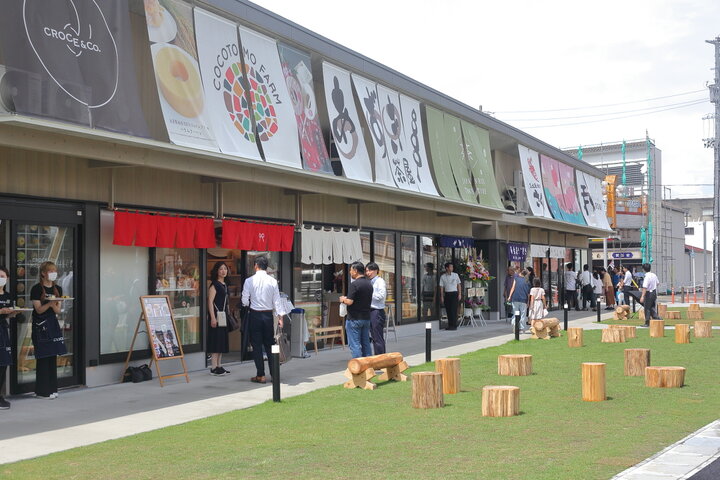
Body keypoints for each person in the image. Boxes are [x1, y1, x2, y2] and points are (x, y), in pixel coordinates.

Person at [242, 256, 281, 384]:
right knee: (270, 345)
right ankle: (274, 375)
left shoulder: (249, 281)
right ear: (266, 267)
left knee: (257, 346)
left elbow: (244, 300)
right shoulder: (272, 281)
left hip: (255, 315)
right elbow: (277, 301)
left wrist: (248, 304)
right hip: (268, 316)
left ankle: (261, 375)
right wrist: (280, 317)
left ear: (255, 266)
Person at [30, 261, 67, 399]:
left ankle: (52, 388)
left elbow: (58, 310)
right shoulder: (36, 289)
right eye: (50, 271)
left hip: (52, 324)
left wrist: (54, 304)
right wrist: (50, 303)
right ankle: (42, 391)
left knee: (52, 356)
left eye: (55, 271)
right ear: (43, 273)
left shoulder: (58, 289)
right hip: (40, 326)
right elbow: (38, 310)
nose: (53, 273)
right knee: (43, 358)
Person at [339, 262, 373, 358]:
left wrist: (343, 299)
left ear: (355, 271)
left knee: (355, 344)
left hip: (354, 318)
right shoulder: (369, 284)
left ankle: (359, 368)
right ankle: (368, 366)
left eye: (351, 270)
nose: (350, 272)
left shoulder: (354, 285)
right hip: (366, 318)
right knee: (366, 343)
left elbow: (349, 301)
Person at [0, 266, 19, 409]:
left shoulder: (8, 295)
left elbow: (8, 315)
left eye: (3, 276)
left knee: (4, 364)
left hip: (3, 331)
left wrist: (13, 313)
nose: (1, 279)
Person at [207, 262, 230, 376]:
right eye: (221, 269)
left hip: (223, 316)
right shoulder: (214, 285)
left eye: (225, 269)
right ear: (217, 271)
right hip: (216, 316)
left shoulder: (224, 284)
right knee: (216, 341)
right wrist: (212, 317)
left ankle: (219, 365)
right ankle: (213, 367)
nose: (223, 271)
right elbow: (210, 302)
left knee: (221, 341)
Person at [365, 262, 386, 355]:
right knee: (372, 336)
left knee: (377, 336)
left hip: (376, 311)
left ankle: (381, 358)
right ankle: (376, 358)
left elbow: (381, 296)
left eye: (370, 270)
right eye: (366, 271)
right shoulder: (369, 281)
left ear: (376, 271)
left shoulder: (380, 281)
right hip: (369, 311)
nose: (368, 273)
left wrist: (369, 293)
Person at [439, 262, 462, 330]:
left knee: (453, 310)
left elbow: (459, 285)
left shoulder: (455, 275)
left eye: (452, 267)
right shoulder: (443, 276)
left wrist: (459, 294)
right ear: (447, 268)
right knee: (448, 310)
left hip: (454, 294)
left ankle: (454, 325)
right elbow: (441, 287)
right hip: (447, 294)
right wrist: (442, 296)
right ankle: (450, 325)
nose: (452, 268)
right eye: (451, 267)